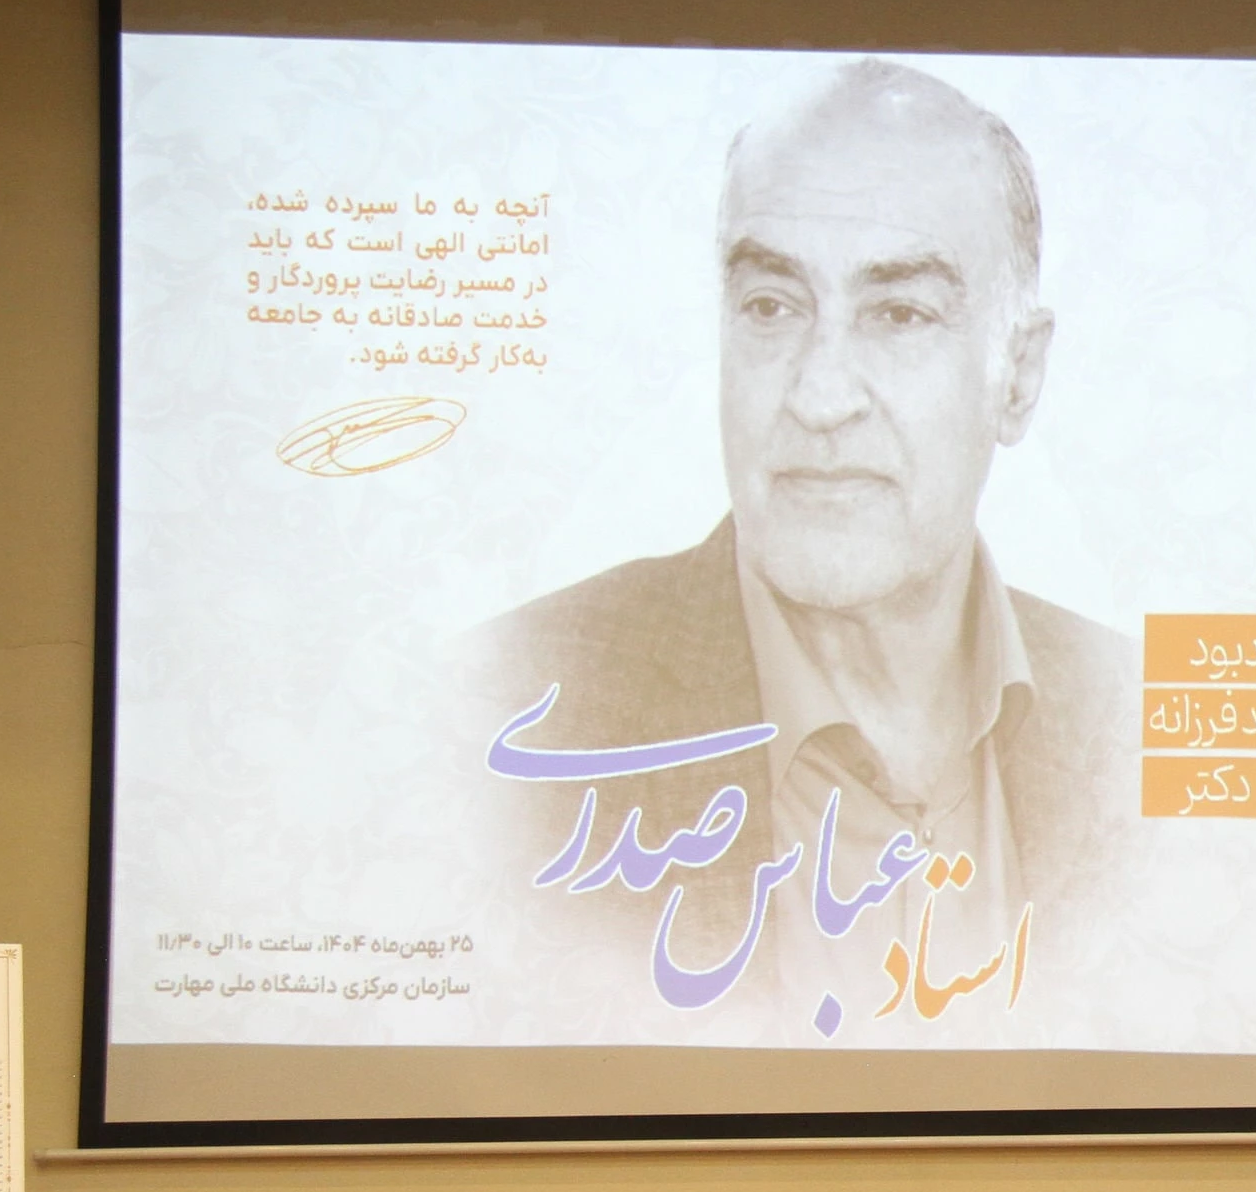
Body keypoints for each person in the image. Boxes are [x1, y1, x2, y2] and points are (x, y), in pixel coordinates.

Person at [478, 59, 1134, 1016]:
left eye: (899, 314)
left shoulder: (1138, 729)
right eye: (772, 307)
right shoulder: (507, 721)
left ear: (1019, 377)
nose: (820, 396)